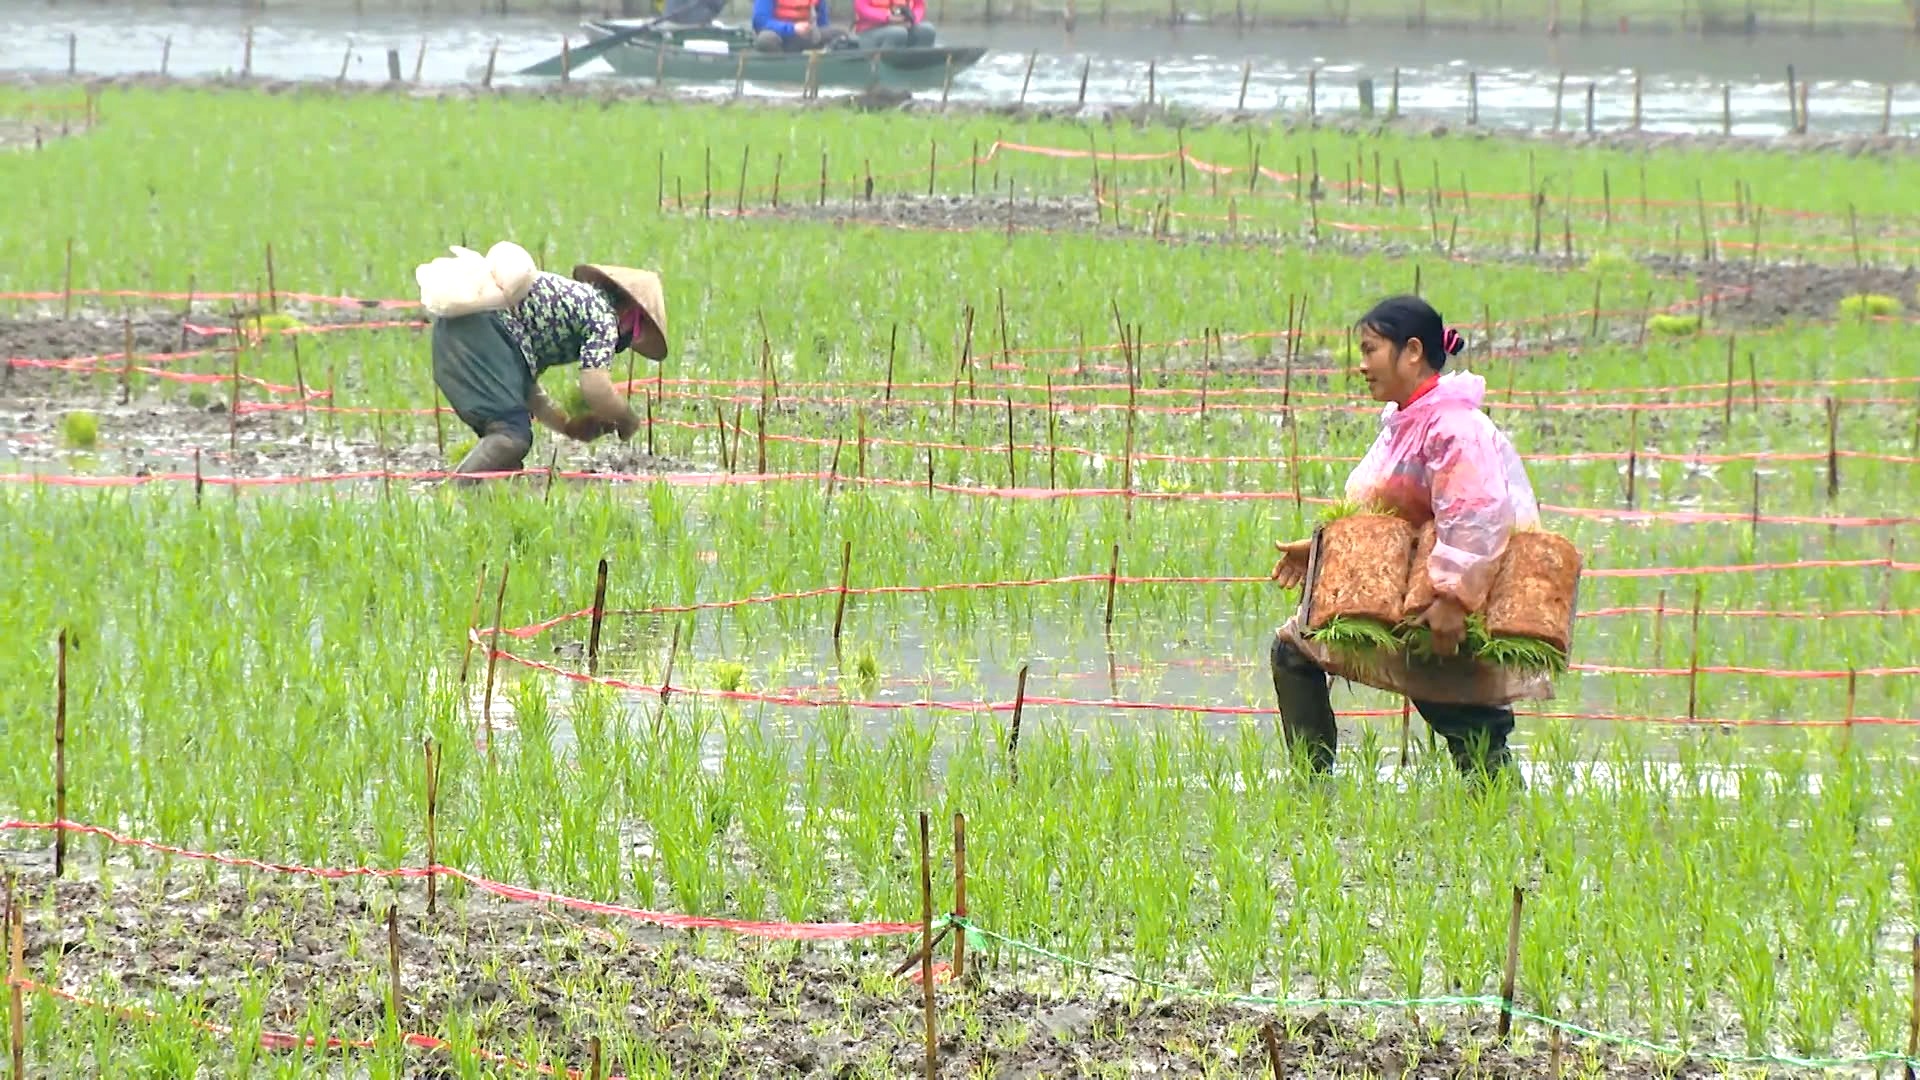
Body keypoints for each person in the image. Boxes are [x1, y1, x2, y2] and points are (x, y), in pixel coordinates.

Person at [1268, 295, 1539, 782]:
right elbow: (1387, 511)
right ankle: (1311, 788)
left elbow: (1477, 517)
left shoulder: (1454, 429)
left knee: (1469, 726)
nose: (1361, 365)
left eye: (1371, 349)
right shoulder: (1406, 421)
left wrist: (1454, 598)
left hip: (1445, 602)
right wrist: (1326, 551)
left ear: (1411, 351)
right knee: (1295, 649)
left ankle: (1506, 826)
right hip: (1408, 593)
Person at [430, 264, 669, 479]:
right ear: (628, 312)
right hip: (484, 328)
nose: (628, 340)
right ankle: (453, 495)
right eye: (636, 331)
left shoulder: (565, 309)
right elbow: (597, 389)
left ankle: (472, 500)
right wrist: (627, 419)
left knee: (506, 452)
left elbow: (526, 388)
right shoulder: (604, 317)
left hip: (456, 327)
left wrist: (566, 426)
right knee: (511, 436)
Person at [752, 0, 846, 51]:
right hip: (779, 37)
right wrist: (792, 28)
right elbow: (761, 22)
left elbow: (823, 24)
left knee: (842, 34)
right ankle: (782, 71)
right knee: (766, 39)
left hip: (805, 37)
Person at [851, 0, 936, 47]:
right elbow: (862, 8)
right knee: (897, 33)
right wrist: (888, 17)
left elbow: (919, 5)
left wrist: (912, 20)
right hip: (871, 31)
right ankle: (883, 66)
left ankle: (916, 65)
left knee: (928, 30)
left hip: (903, 25)